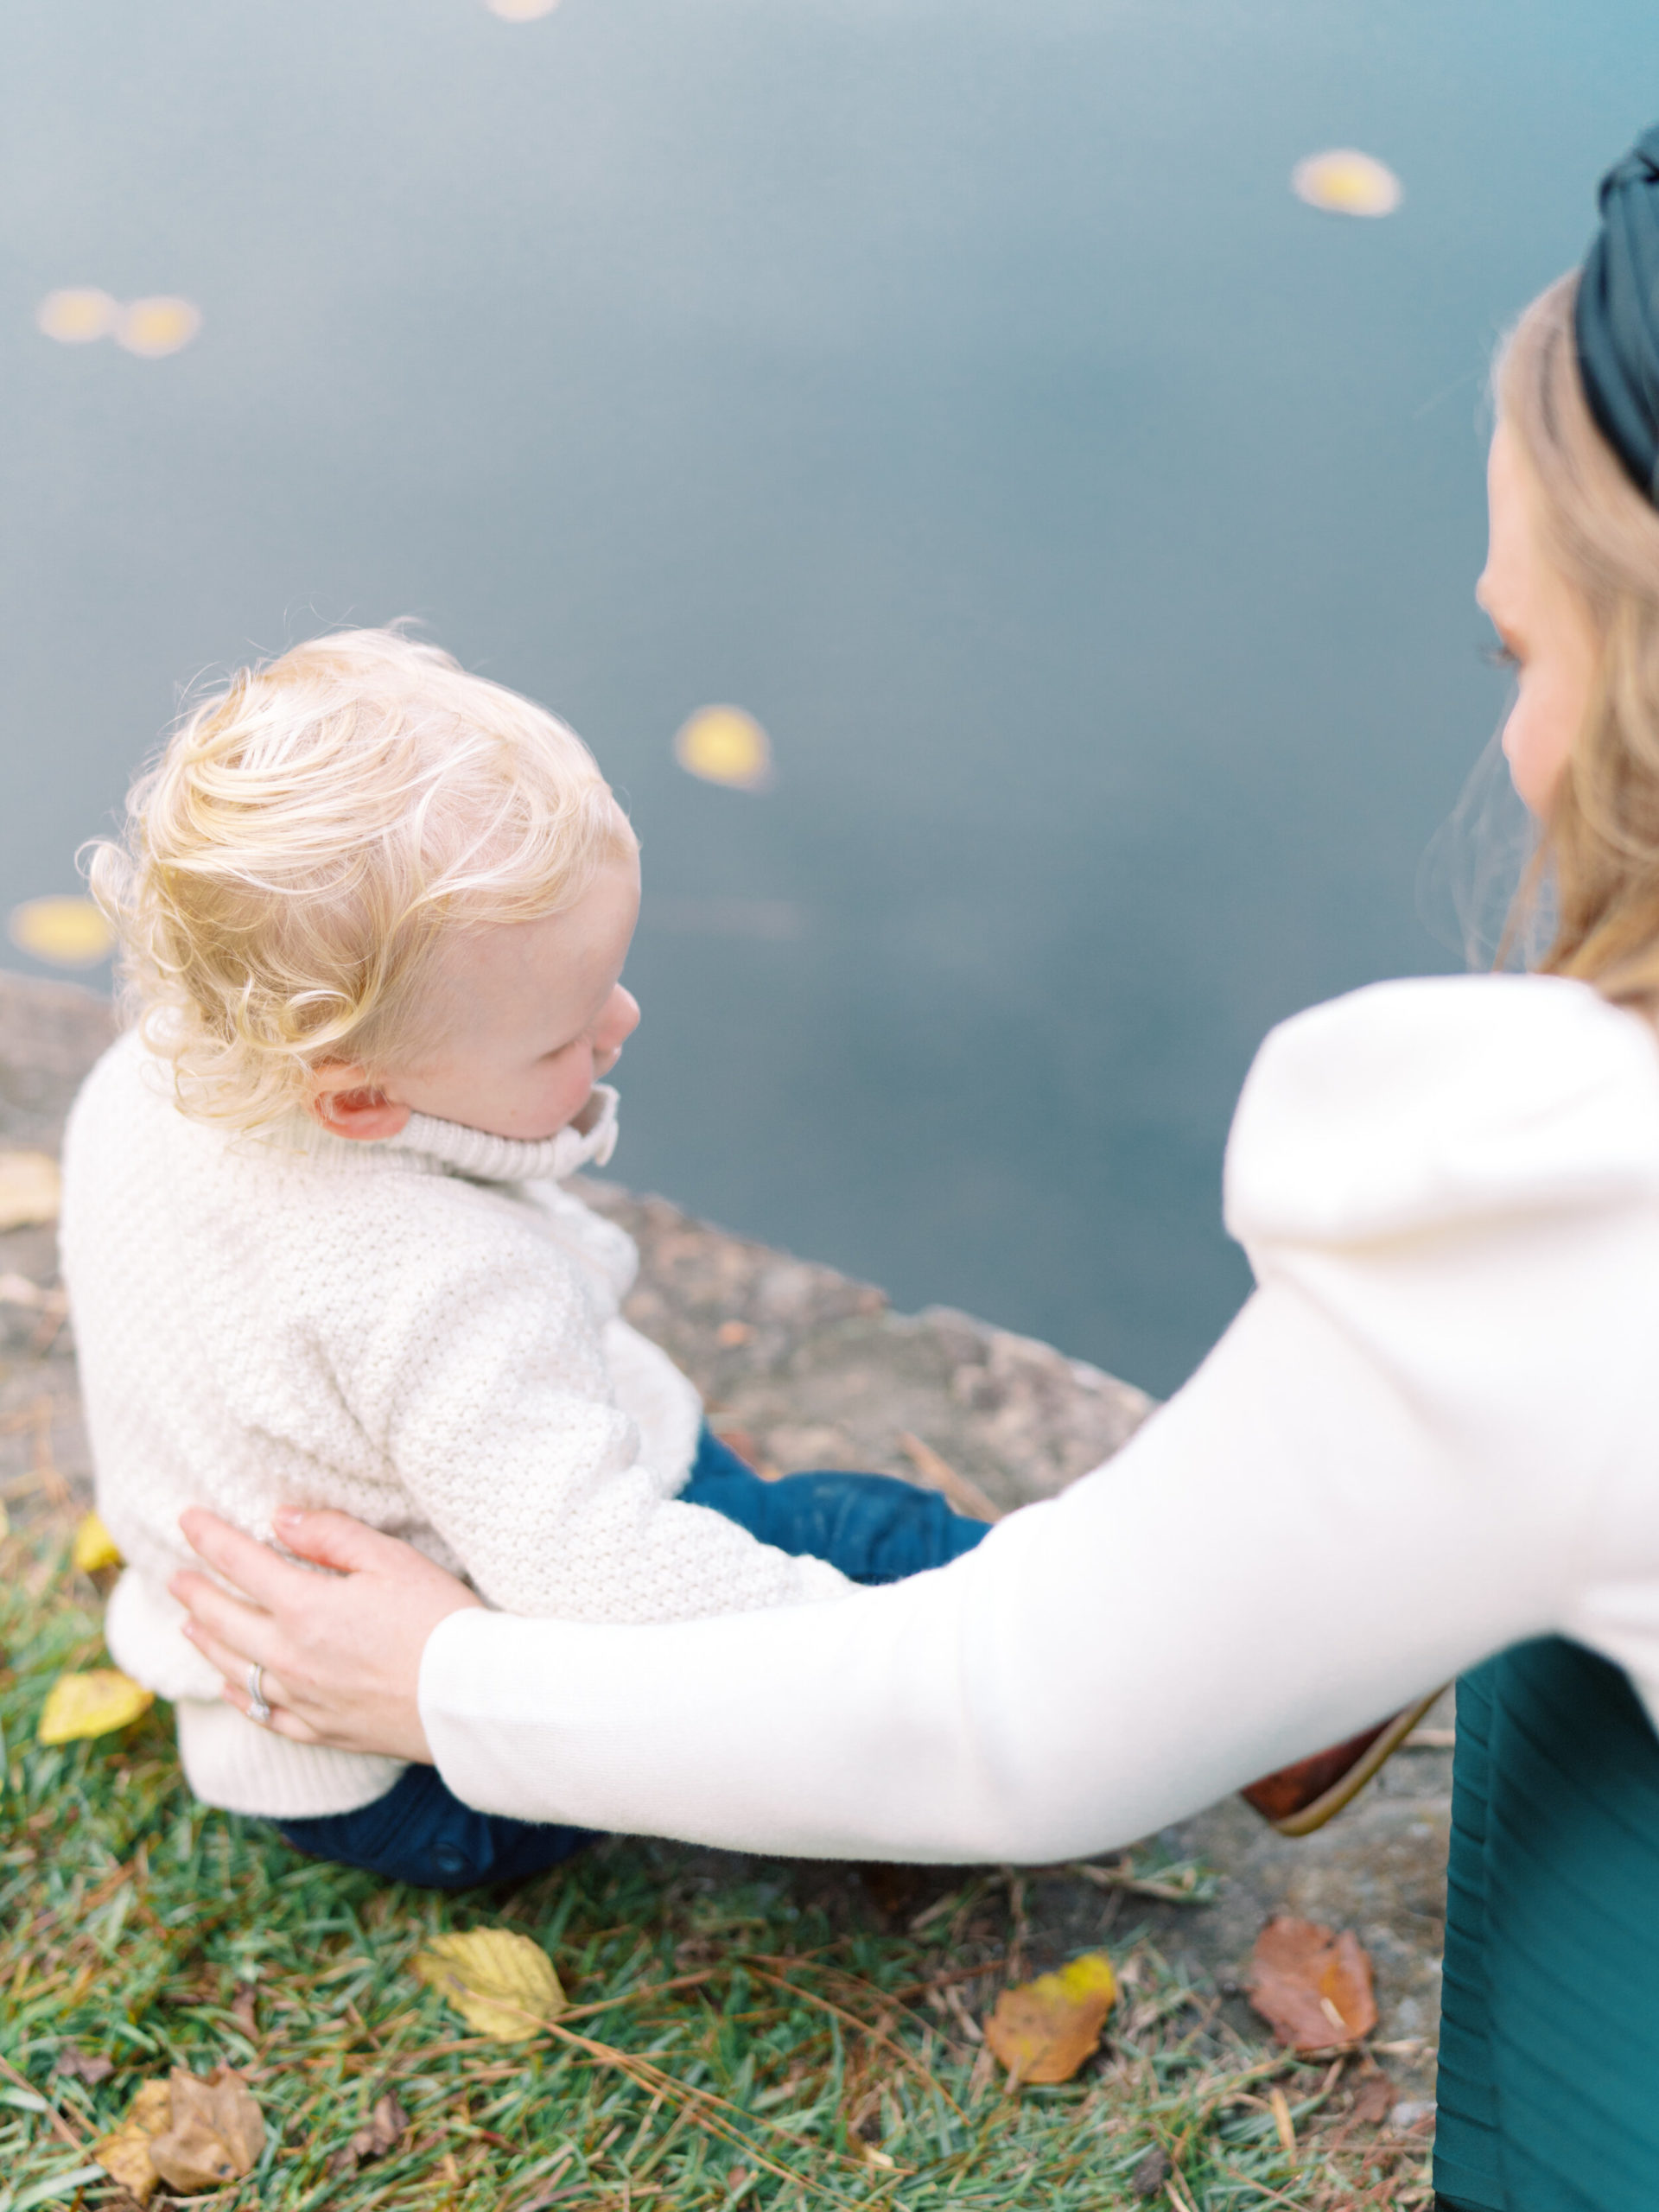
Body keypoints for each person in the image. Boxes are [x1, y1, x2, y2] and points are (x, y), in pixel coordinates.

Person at [168, 136, 1659, 2212]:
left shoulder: (1573, 1200)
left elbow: (1013, 1708)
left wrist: (437, 1677)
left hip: (386, 1708)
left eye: (1527, 653)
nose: (1519, 745)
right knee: (886, 1539)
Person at [61, 626, 986, 1890]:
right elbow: (601, 1575)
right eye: (564, 1036)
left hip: (269, 1721)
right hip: (422, 1779)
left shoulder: (148, 1073)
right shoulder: (443, 1280)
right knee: (862, 1534)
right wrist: (835, 1661)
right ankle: (1048, 1679)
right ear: (358, 1100)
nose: (623, 1022)